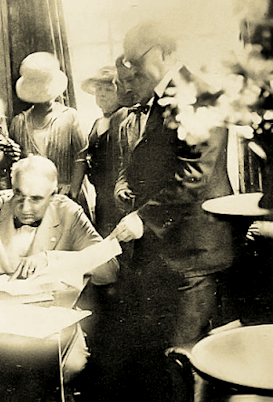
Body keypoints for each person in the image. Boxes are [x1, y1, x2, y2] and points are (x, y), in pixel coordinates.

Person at [106, 21, 237, 401]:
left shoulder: (195, 94)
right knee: (167, 359)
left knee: (181, 358)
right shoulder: (164, 96)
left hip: (194, 251)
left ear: (165, 53)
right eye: (127, 61)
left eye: (136, 59)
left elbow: (194, 173)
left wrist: (143, 217)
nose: (130, 69)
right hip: (173, 248)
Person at [0, 155, 118, 385]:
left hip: (52, 324)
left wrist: (50, 260)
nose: (25, 207)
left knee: (70, 366)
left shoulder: (70, 212)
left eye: (36, 199)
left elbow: (109, 268)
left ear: (53, 194)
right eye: (18, 194)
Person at [10, 52, 93, 220]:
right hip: (32, 199)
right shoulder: (19, 123)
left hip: (68, 194)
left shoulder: (70, 117)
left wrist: (73, 192)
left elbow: (80, 157)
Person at [81, 65, 131, 237]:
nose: (102, 94)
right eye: (98, 89)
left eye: (109, 90)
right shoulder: (97, 123)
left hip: (119, 196)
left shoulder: (125, 118)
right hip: (101, 196)